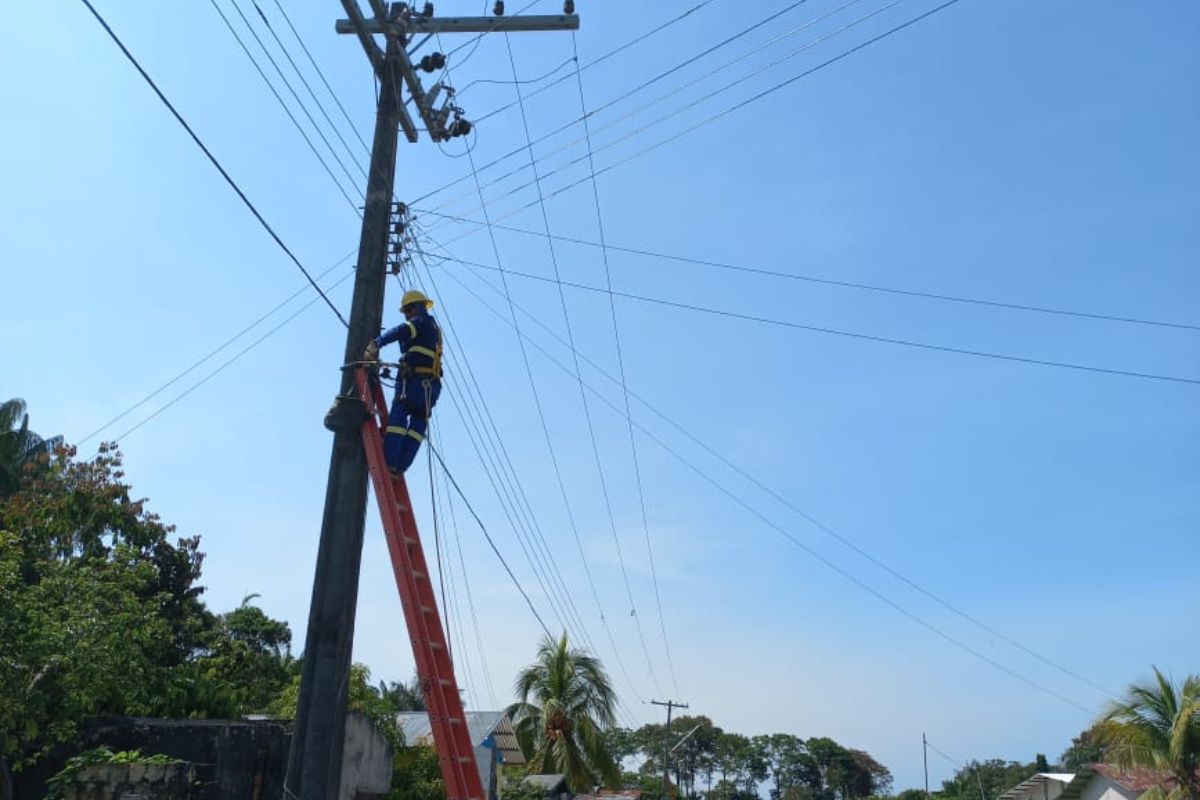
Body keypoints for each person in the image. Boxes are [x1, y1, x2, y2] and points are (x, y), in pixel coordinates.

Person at [363, 290, 442, 474]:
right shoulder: (434, 328)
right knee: (417, 425)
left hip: (414, 382)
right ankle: (400, 467)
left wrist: (377, 343)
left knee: (399, 415)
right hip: (432, 387)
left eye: (407, 310)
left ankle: (390, 460)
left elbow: (402, 331)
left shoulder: (419, 323)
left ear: (416, 307)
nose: (406, 315)